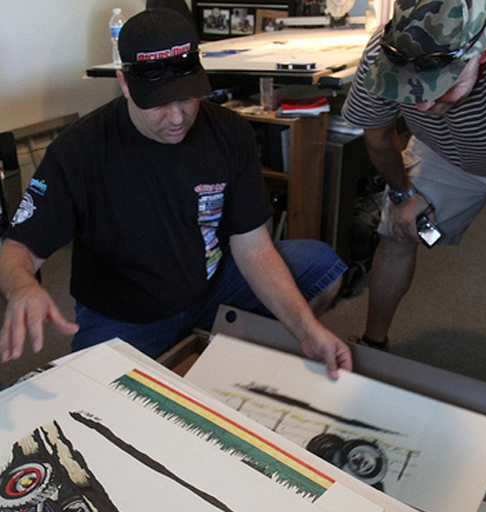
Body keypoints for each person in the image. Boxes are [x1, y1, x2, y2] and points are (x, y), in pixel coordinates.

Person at [0, 8, 352, 379]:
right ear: (124, 83)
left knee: (322, 267)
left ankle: (225, 356)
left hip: (211, 289)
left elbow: (254, 248)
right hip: (127, 315)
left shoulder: (229, 131)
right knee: (93, 395)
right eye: (158, 102)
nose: (177, 117)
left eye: (187, 96)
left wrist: (306, 331)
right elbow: (17, 248)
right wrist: (22, 287)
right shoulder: (78, 150)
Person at [341, 0, 486, 350]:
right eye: (411, 87)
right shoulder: (382, 54)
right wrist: (402, 194)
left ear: (484, 53)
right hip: (443, 151)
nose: (423, 105)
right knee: (397, 230)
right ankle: (373, 343)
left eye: (442, 85)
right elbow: (379, 136)